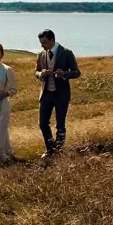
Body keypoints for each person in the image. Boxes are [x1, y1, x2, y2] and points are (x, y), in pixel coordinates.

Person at [34, 29, 81, 158]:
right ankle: (50, 149)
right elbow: (36, 72)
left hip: (61, 94)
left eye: (44, 42)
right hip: (46, 94)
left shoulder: (66, 53)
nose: (42, 45)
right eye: (41, 43)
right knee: (42, 123)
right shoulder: (41, 54)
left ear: (52, 40)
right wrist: (40, 74)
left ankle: (58, 151)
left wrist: (64, 74)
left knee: (60, 124)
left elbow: (77, 72)